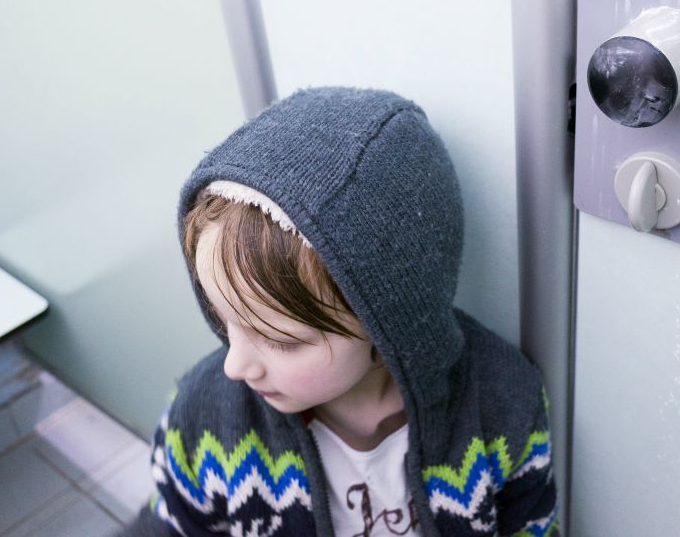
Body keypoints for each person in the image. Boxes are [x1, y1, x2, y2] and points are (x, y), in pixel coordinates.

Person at [123, 87, 558, 536]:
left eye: (279, 340)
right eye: (223, 318)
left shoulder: (502, 402)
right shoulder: (206, 418)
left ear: (388, 322)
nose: (236, 365)